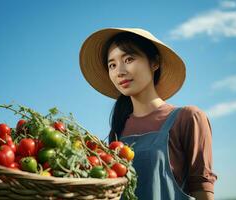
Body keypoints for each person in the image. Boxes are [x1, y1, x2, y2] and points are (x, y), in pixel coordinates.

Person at [79, 28, 217, 200]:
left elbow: (202, 190)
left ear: (154, 63)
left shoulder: (188, 118)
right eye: (112, 65)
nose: (119, 71)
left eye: (128, 59)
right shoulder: (118, 129)